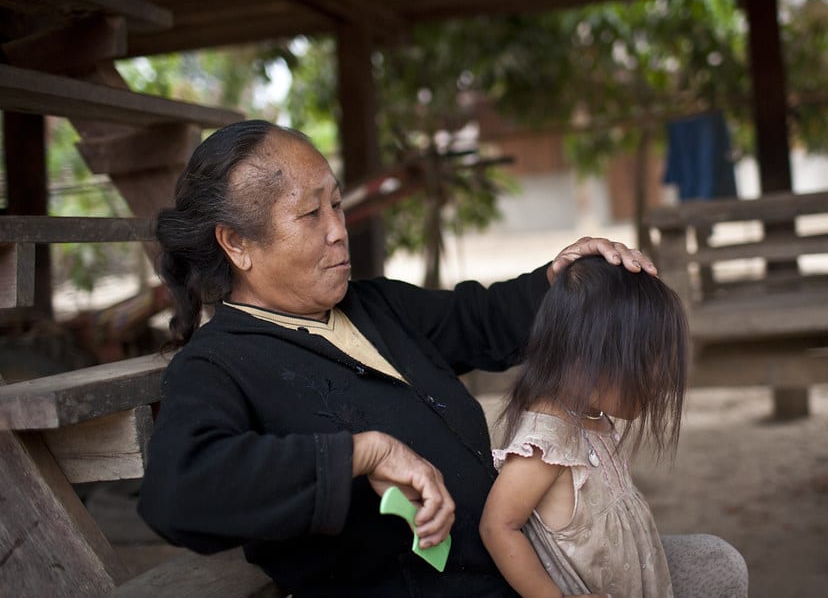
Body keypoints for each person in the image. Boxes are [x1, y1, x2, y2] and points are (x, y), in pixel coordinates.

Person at [137, 119, 659, 597]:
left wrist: (562, 276)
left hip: (522, 572)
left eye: (336, 205)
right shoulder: (219, 366)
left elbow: (480, 319)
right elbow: (177, 491)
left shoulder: (377, 306)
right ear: (236, 243)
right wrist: (360, 455)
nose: (338, 229)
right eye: (310, 213)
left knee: (714, 562)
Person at [481, 256, 747, 597]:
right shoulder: (546, 443)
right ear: (588, 355)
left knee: (719, 561)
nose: (656, 380)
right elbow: (497, 526)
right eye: (642, 363)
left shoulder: (591, 416)